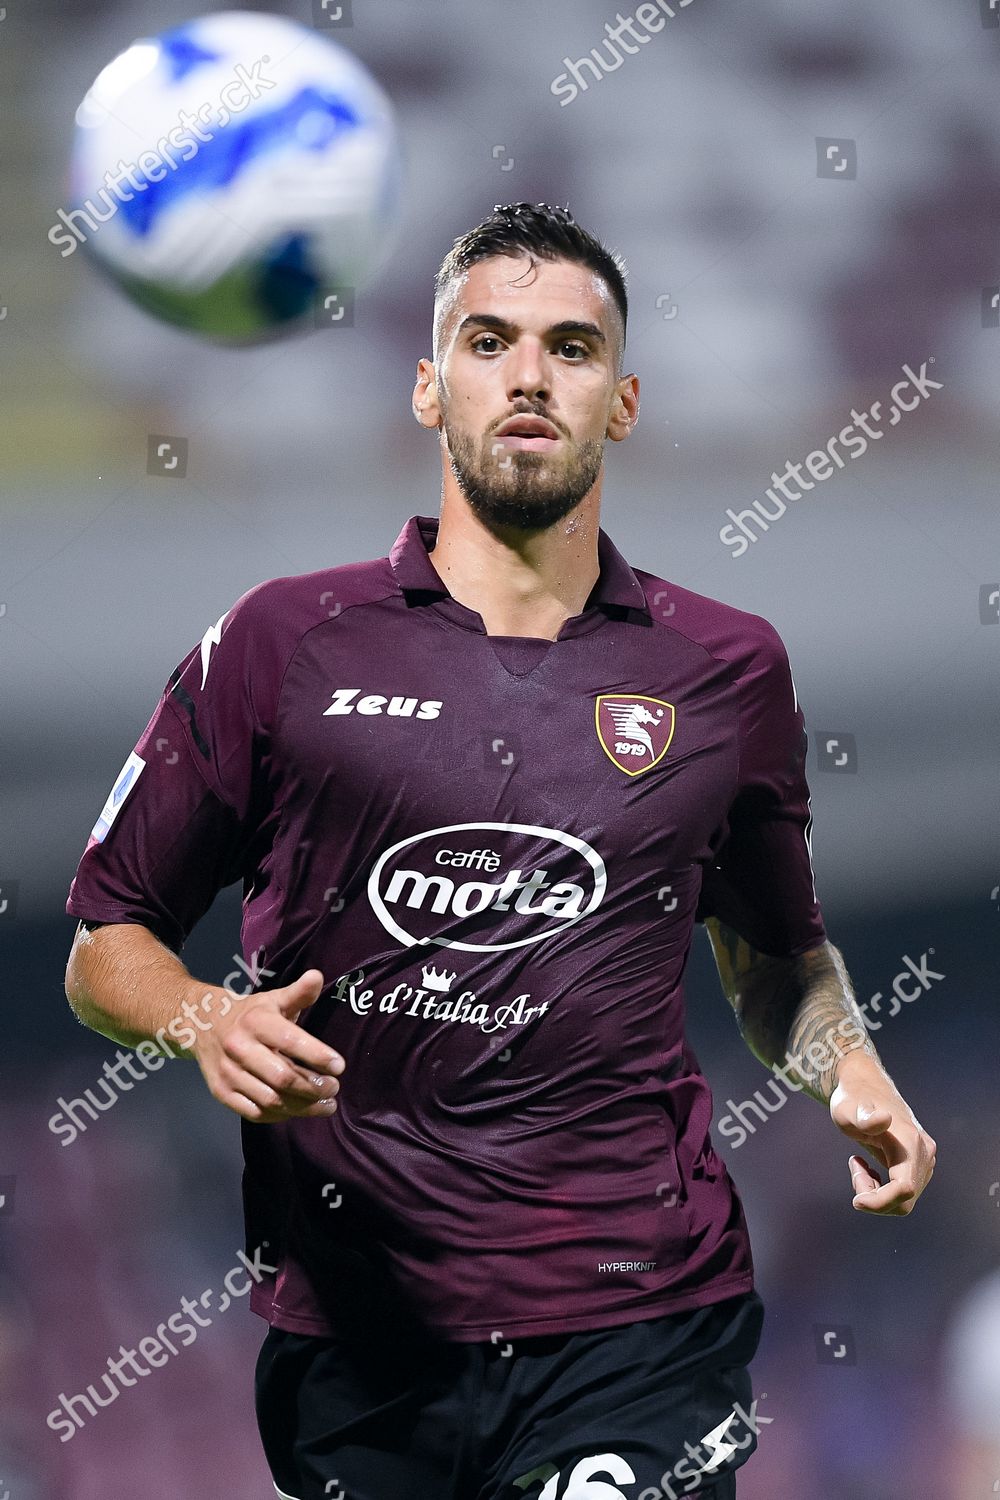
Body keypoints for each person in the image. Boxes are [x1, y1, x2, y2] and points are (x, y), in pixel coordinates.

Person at [64, 202, 936, 1500]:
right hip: (360, 1344)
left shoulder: (725, 671)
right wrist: (202, 1019)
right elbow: (104, 946)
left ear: (623, 402)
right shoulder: (279, 646)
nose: (529, 376)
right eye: (489, 341)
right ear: (430, 386)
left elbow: (774, 955)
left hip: (644, 1321)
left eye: (572, 349)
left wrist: (848, 1066)